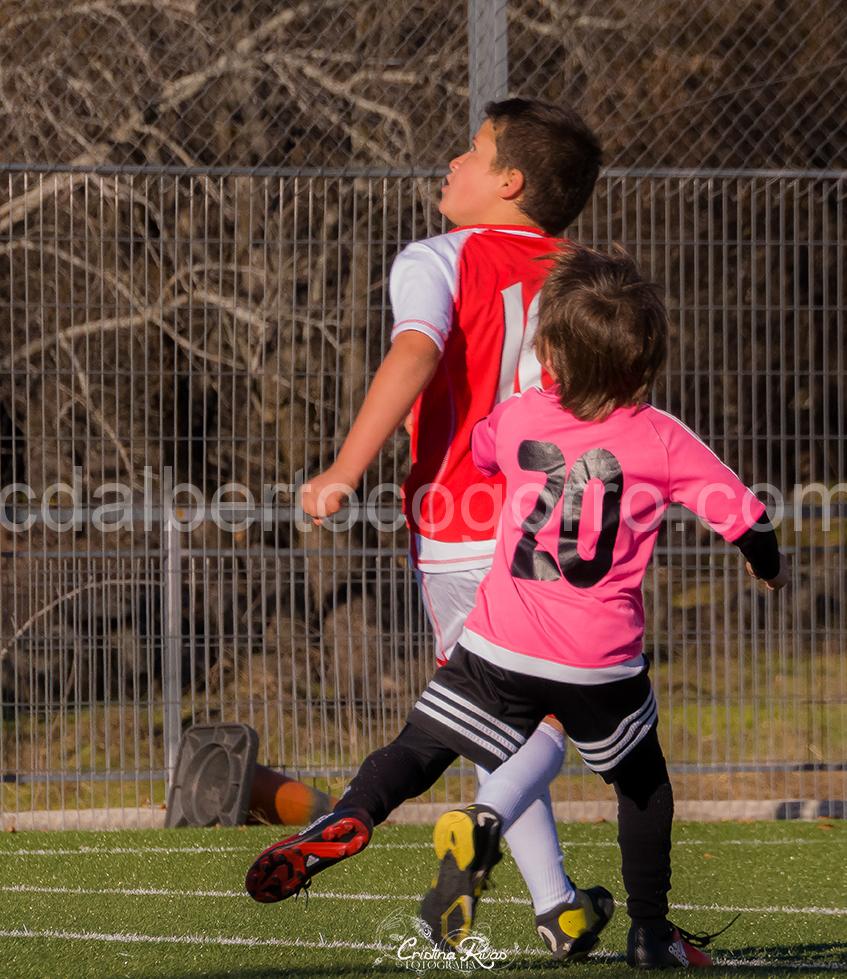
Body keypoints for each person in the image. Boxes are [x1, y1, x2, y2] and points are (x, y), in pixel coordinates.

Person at [245, 245, 789, 968]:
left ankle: (350, 814)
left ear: (550, 354)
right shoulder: (661, 435)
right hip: (599, 663)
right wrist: (768, 568)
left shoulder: (522, 414)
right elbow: (748, 519)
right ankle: (651, 931)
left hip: (499, 644)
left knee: (419, 746)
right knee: (642, 785)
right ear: (646, 362)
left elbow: (482, 450)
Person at [292, 97, 604, 953]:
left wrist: (343, 469)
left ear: (510, 181)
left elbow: (418, 350)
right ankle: (532, 877)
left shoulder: (437, 256)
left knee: (500, 716)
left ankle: (543, 890)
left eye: (472, 151)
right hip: (559, 524)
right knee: (545, 718)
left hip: (455, 525)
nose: (452, 164)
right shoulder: (588, 276)